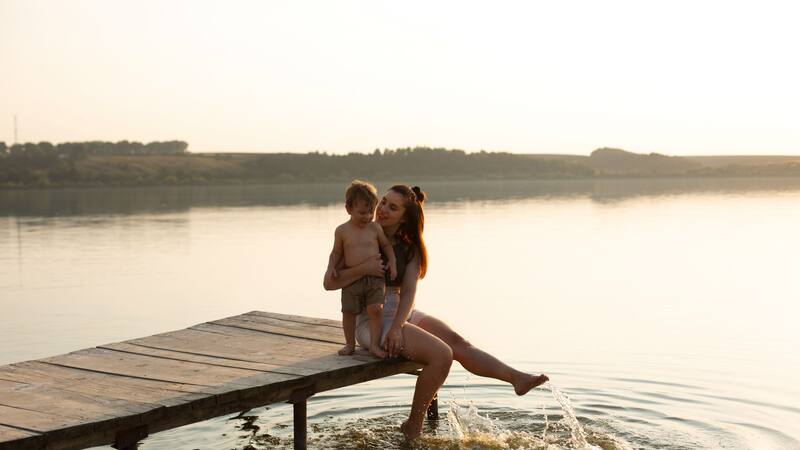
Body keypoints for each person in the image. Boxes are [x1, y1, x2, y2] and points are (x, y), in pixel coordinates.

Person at [323, 184, 452, 440]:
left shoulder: (390, 240)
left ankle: (514, 378)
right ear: (349, 209)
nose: (378, 210)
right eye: (381, 203)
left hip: (391, 318)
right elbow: (329, 283)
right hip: (370, 323)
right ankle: (414, 425)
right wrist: (364, 267)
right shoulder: (349, 235)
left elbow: (407, 289)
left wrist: (396, 326)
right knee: (442, 355)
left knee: (451, 347)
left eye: (390, 206)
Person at [327, 181, 397, 358]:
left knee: (376, 309)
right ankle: (350, 344)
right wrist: (331, 267)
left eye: (371, 212)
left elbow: (387, 246)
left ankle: (374, 345)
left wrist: (392, 262)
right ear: (348, 209)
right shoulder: (342, 231)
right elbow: (335, 253)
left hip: (374, 279)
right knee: (349, 312)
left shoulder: (375, 228)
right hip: (353, 281)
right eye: (362, 213)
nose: (367, 217)